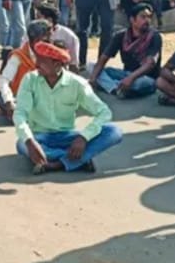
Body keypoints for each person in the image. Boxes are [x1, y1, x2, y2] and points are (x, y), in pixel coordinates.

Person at [15, 41, 123, 174]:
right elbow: (20, 113)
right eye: (37, 59)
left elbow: (104, 112)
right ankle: (78, 159)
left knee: (113, 131)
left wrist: (83, 137)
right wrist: (30, 141)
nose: (36, 64)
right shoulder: (30, 79)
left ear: (57, 64)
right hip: (40, 136)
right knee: (22, 144)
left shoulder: (77, 84)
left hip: (68, 136)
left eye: (42, 61)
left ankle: (57, 164)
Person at [88, 3, 161, 99]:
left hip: (146, 77)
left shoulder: (154, 36)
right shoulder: (121, 36)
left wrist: (131, 78)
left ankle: (112, 86)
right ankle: (115, 89)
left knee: (142, 83)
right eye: (143, 17)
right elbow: (104, 58)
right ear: (132, 20)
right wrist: (93, 78)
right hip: (125, 74)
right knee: (91, 67)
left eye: (149, 17)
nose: (147, 20)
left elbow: (150, 64)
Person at [0, 20, 52, 121]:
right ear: (35, 40)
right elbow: (3, 80)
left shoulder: (51, 53)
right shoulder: (18, 56)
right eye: (45, 40)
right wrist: (8, 101)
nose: (49, 43)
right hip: (20, 97)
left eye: (49, 40)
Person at [31, 1, 80, 72]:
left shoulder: (69, 36)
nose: (35, 21)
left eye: (38, 17)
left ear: (49, 20)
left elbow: (73, 65)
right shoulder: (32, 32)